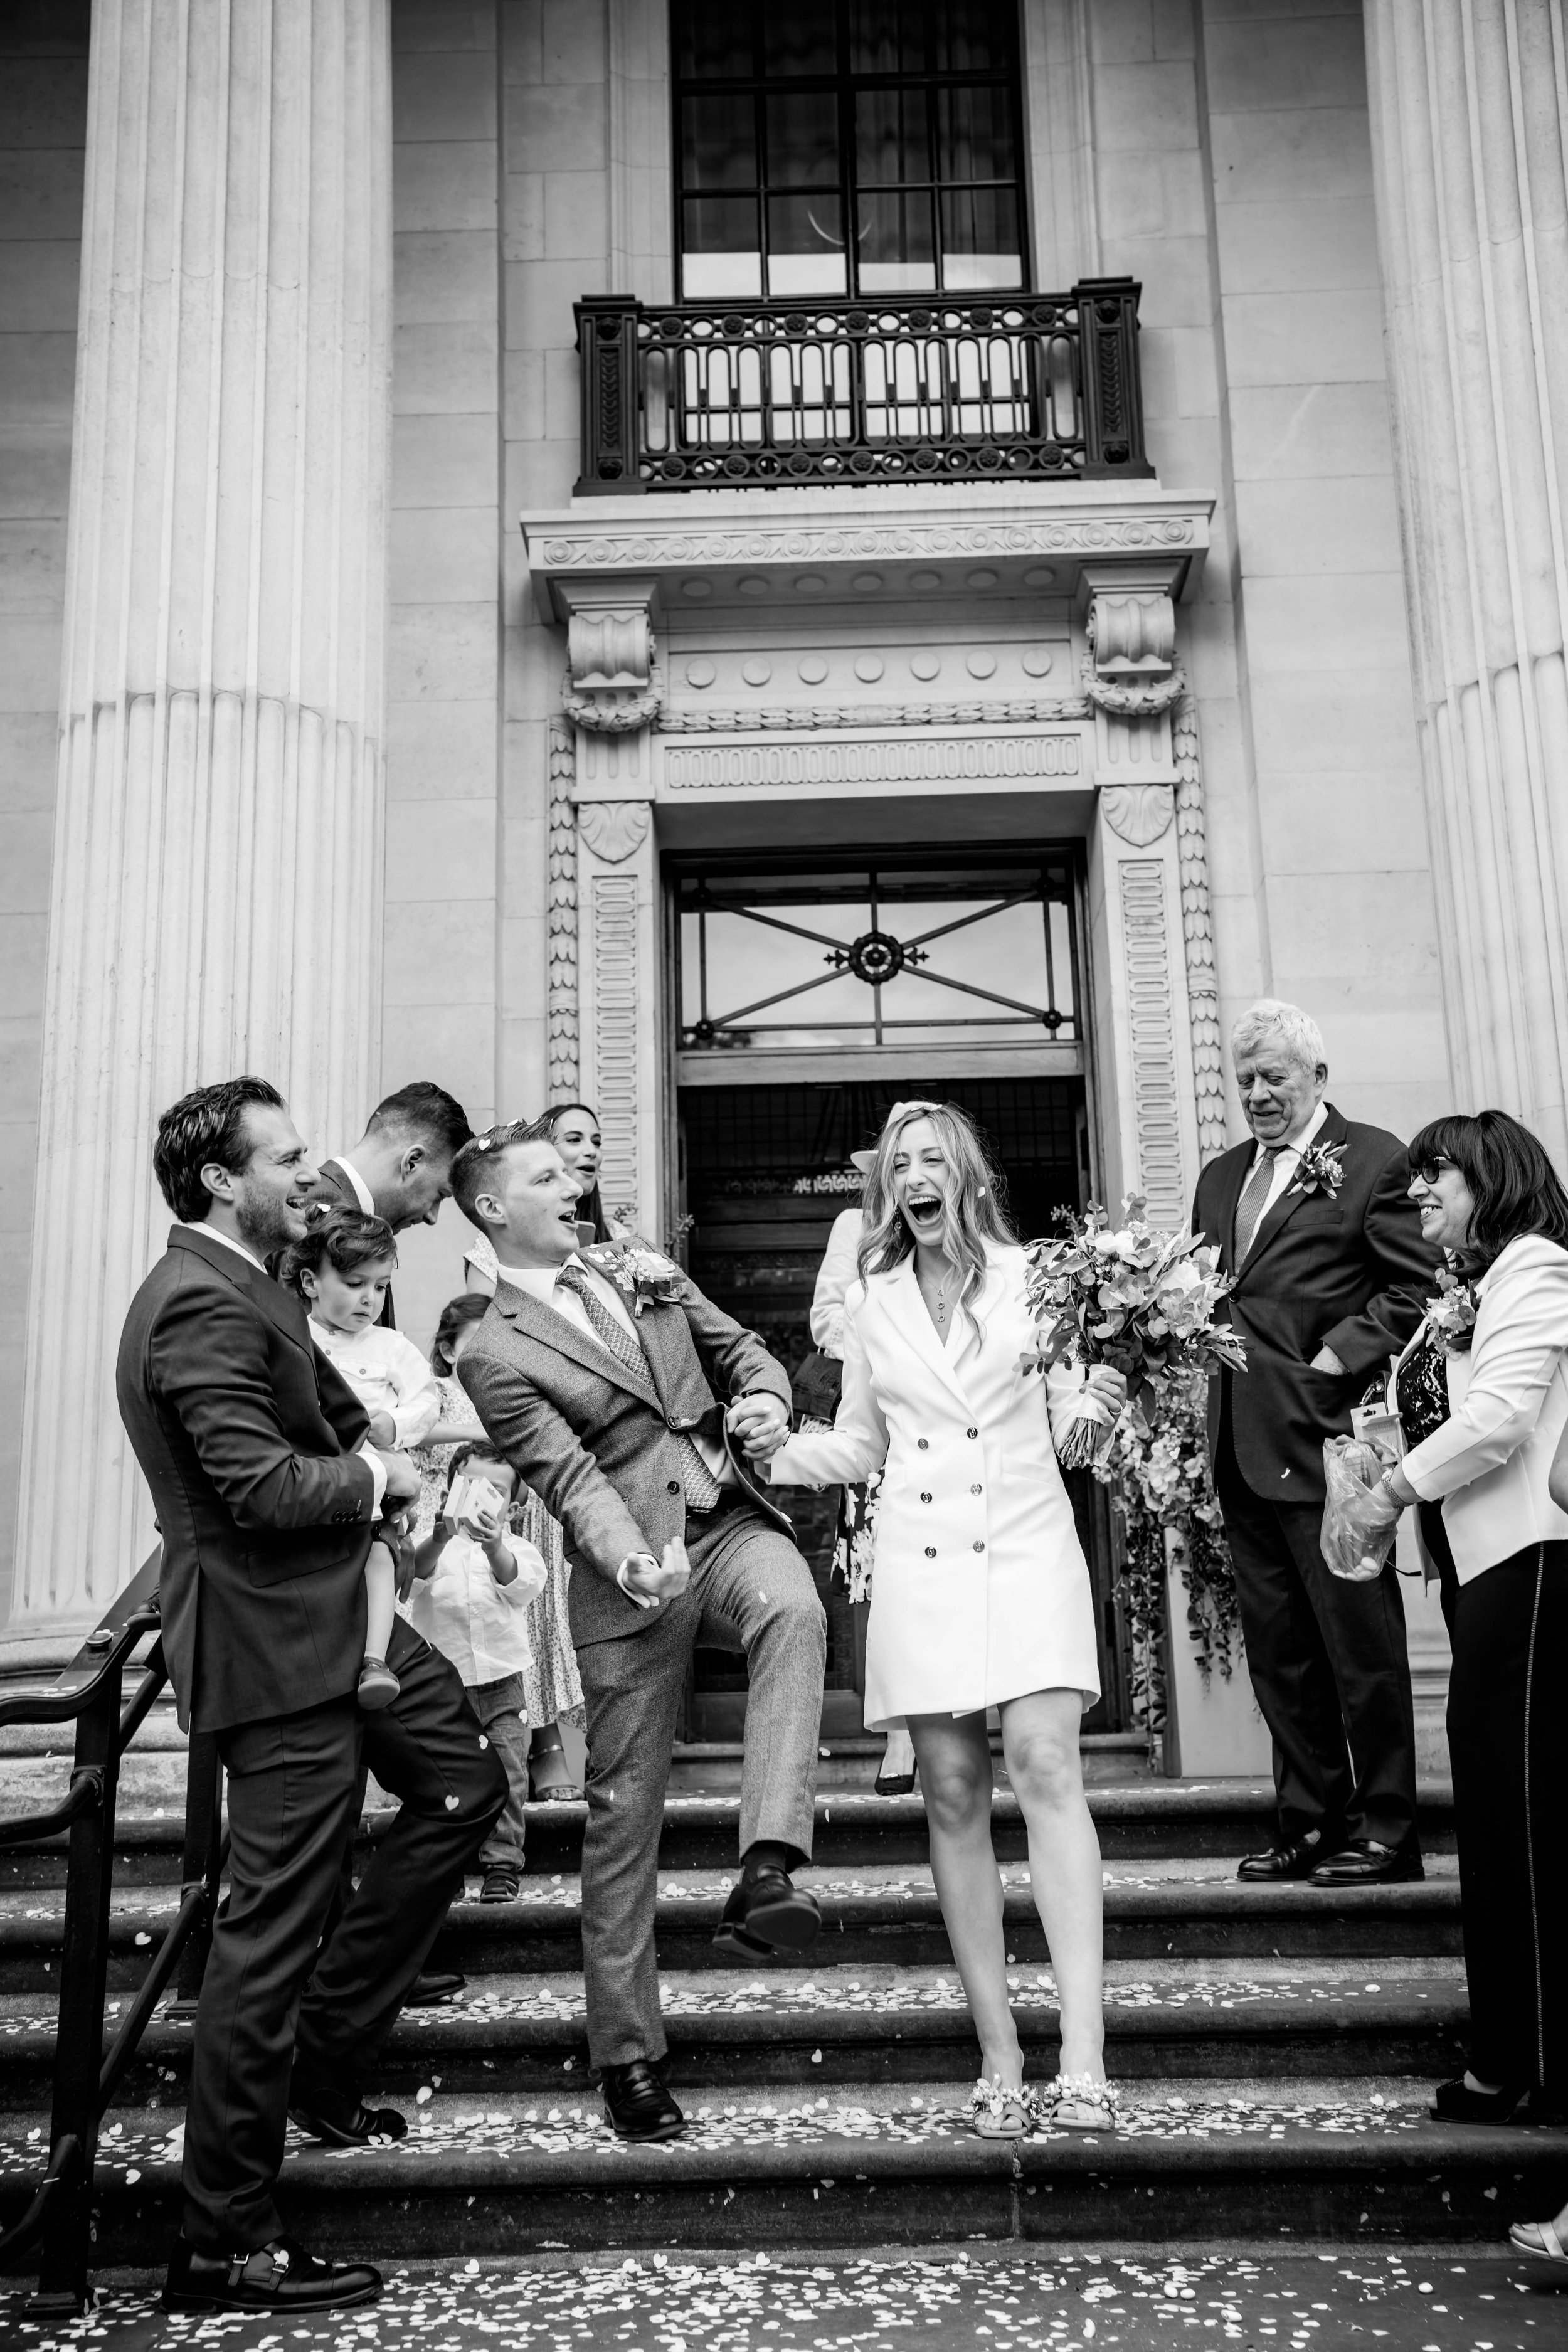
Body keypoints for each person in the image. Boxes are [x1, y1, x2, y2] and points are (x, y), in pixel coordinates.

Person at [115, 1078, 506, 2318]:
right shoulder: (192, 1304)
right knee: (265, 1934)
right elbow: (261, 1487)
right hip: (273, 1646)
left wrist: (379, 1457)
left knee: (459, 1785)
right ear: (224, 1179)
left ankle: (322, 2064)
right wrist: (383, 1469)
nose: (311, 1170)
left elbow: (330, 1421)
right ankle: (220, 2240)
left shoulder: (252, 1284)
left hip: (342, 1624)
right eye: (285, 1156)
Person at [450, 1119, 826, 2145]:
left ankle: (767, 1866)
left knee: (795, 1609)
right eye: (544, 1174)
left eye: (571, 1170)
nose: (572, 1180)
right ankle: (628, 2057)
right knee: (624, 1818)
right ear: (493, 1207)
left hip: (731, 1520)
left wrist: (763, 1400)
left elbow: (744, 1351)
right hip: (630, 1576)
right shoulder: (492, 1345)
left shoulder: (640, 1265)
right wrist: (624, 1558)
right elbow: (567, 1476)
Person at [754, 1101, 1126, 2136]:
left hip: (1026, 1542)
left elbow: (1074, 1435)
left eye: (930, 1159)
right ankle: (1001, 2054)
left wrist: (1106, 1389)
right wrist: (774, 1451)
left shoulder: (1037, 1278)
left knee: (1048, 1765)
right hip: (923, 1560)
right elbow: (863, 1443)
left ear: (965, 1177)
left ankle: (1085, 2054)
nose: (913, 1175)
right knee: (955, 1792)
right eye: (898, 1164)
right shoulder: (872, 1299)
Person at [1352, 1110, 1568, 2127]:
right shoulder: (1474, 1293)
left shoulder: (1536, 1269)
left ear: (1491, 1174)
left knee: (1517, 1824)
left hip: (1533, 1570)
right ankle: (1513, 2053)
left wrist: (1392, 1484)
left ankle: (1520, 2067)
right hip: (1486, 1573)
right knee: (1495, 1817)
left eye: (1435, 1175)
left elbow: (1502, 1420)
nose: (1420, 1194)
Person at [1192, 1000, 1437, 1888]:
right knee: (1280, 1655)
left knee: (1359, 1649)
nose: (1257, 1094)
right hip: (1240, 1447)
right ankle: (1310, 1820)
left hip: (1335, 1451)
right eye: (1245, 1078)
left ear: (1318, 1079)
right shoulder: (1219, 1178)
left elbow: (1420, 1288)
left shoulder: (1376, 1159)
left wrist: (1340, 1352)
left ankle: (1388, 1829)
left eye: (1275, 1080)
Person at [464, 1103, 614, 1798]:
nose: (581, 1163)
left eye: (592, 1144)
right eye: (566, 1147)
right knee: (538, 1602)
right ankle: (541, 1751)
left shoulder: (620, 1260)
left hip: (615, 1471)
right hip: (536, 1460)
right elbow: (490, 1359)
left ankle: (591, 1750)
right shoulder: (495, 1276)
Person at [413, 1296, 586, 1793]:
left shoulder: (514, 1386)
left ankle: (535, 1742)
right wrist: (481, 1429)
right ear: (447, 1350)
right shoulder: (435, 1390)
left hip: (506, 1517)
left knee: (513, 1621)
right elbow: (413, 1428)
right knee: (444, 1610)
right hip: (443, 1509)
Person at [277, 1210, 440, 1708]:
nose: (370, 1299)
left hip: (376, 1482)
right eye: (354, 1284)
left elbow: (427, 1399)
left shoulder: (390, 1346)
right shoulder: (290, 1339)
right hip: (315, 1481)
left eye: (381, 1286)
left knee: (378, 1553)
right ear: (311, 1282)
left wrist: (397, 1422)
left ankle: (375, 1659)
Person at [808, 1172, 916, 1798]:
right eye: (897, 1162)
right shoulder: (856, 1227)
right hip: (880, 1420)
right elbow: (826, 1317)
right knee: (885, 1573)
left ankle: (952, 1712)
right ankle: (902, 1727)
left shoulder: (968, 1235)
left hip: (956, 1428)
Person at [407, 1438, 548, 1903]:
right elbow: (411, 1579)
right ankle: (446, 1866)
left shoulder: (519, 1550)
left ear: (511, 1507)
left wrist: (493, 1549)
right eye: (473, 1488)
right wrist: (441, 1535)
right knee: (445, 1777)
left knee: (509, 1774)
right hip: (442, 1687)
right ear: (450, 1493)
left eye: (498, 1493)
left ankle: (502, 1865)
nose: (485, 1500)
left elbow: (519, 1585)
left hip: (503, 1683)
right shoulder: (433, 1548)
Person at [305, 1079, 474, 1326]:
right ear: (412, 1162)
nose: (432, 1217)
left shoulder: (361, 1221)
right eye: (440, 1195)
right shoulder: (312, 1214)